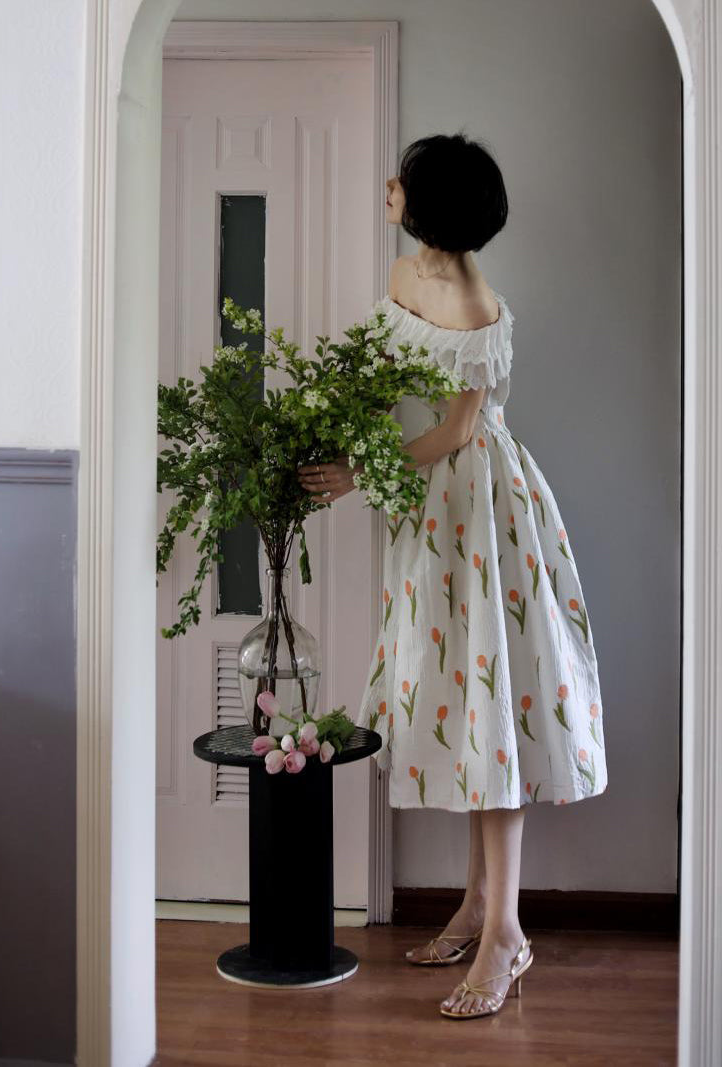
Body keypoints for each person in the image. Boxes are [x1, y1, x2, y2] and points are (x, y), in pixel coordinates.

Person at [297, 132, 608, 1020]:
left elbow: (456, 435)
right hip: (428, 509)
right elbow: (375, 369)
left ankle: (507, 931)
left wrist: (363, 472)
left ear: (428, 203)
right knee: (472, 712)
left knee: (494, 710)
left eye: (405, 180)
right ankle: (478, 904)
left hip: (480, 511)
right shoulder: (401, 277)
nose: (388, 186)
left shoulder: (476, 306)